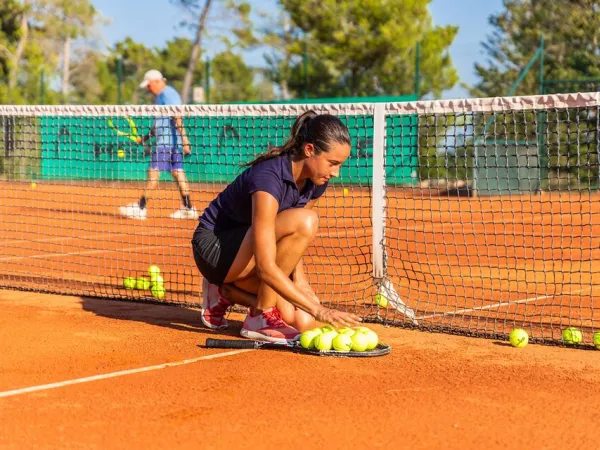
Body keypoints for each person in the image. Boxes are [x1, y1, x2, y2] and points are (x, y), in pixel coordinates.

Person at [191, 110, 361, 343]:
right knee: (307, 221)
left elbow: (292, 237)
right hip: (216, 249)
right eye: (332, 163)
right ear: (309, 150)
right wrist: (319, 310)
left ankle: (225, 292)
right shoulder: (268, 179)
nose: (336, 172)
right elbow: (266, 265)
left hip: (249, 249)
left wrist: (300, 282)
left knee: (299, 320)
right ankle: (258, 317)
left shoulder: (316, 180)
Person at [119, 69, 197, 220]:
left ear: (156, 81)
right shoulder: (161, 97)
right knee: (177, 172)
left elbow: (177, 116)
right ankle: (188, 208)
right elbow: (158, 125)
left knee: (153, 172)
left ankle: (140, 208)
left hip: (167, 143)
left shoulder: (168, 94)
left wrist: (185, 140)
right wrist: (145, 138)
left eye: (148, 86)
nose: (148, 89)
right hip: (172, 142)